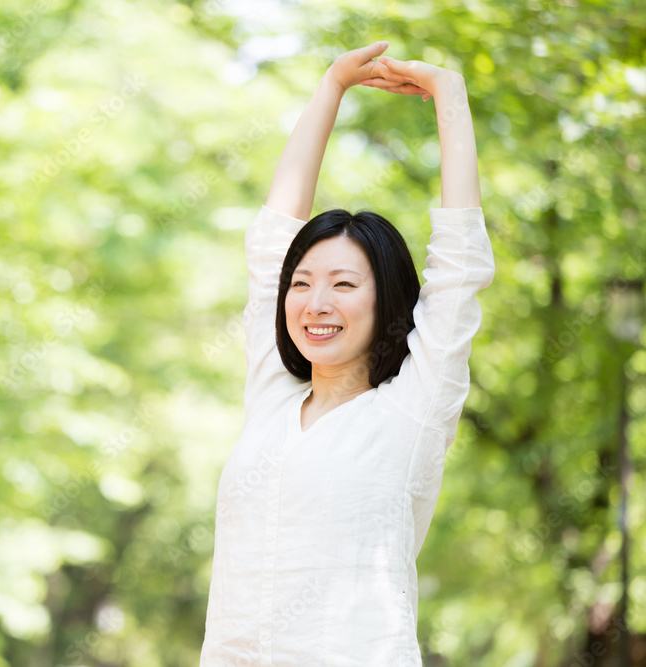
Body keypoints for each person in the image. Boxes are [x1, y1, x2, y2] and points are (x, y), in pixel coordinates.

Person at [199, 41, 495, 666]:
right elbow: (270, 243)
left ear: (386, 300)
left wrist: (450, 97)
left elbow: (459, 266)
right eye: (302, 284)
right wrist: (331, 86)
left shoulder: (412, 410)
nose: (315, 303)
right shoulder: (272, 398)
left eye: (343, 284)